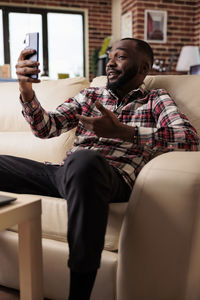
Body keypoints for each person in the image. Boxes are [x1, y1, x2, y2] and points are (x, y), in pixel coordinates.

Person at [0, 38, 199, 300]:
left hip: (112, 176)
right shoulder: (90, 95)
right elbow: (46, 128)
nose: (111, 62)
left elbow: (189, 139)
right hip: (65, 173)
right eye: (110, 55)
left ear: (143, 69)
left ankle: (79, 294)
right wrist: (26, 90)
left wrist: (123, 132)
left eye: (121, 56)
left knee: (85, 161)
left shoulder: (156, 99)